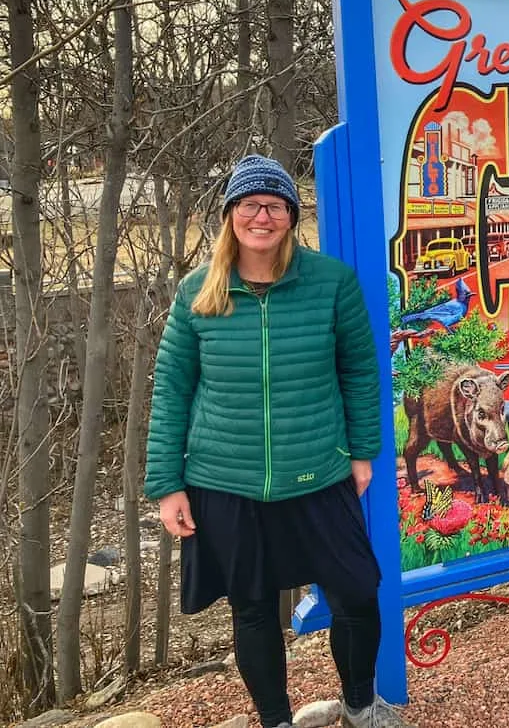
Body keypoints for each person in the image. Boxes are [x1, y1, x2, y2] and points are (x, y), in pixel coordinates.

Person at [144, 155, 413, 728]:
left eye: (275, 205)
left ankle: (360, 704)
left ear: (291, 216)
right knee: (253, 608)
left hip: (316, 468)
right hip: (225, 479)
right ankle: (275, 718)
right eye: (249, 204)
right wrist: (167, 484)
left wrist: (364, 451)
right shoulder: (199, 292)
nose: (261, 216)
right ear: (230, 215)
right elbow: (171, 390)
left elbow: (360, 372)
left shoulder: (330, 283)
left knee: (357, 594)